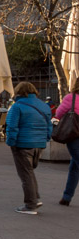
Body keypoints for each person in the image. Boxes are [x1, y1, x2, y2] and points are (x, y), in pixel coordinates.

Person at [5, 81, 52, 214]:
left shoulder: (17, 106)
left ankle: (31, 204)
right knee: (29, 172)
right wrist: (45, 138)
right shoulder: (44, 106)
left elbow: (12, 126)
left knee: (25, 174)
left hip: (23, 143)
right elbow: (49, 126)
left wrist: (11, 142)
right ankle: (35, 198)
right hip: (39, 144)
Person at [55, 76, 79, 206]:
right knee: (74, 166)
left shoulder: (71, 98)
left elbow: (58, 114)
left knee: (76, 164)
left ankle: (67, 196)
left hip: (74, 135)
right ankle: (66, 197)